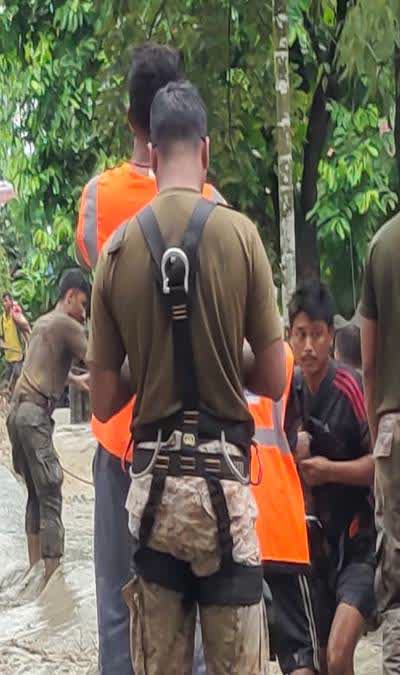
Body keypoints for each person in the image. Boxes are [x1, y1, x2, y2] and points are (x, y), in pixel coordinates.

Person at [87, 81, 286, 674]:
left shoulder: (118, 251)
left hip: (152, 504)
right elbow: (274, 378)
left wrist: (149, 360)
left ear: (149, 149)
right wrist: (224, 353)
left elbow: (101, 402)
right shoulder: (240, 235)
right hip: (224, 492)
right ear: (205, 149)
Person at [74, 42, 227, 675]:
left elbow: (97, 270)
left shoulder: (99, 199)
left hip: (123, 438)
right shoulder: (216, 208)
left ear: (134, 121)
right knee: (189, 604)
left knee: (118, 605)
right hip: (199, 439)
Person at [272, 280, 374, 675]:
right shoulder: (286, 391)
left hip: (358, 545)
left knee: (338, 654)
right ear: (289, 338)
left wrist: (328, 471)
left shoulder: (350, 387)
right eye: (301, 335)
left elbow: (378, 467)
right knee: (313, 661)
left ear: (331, 337)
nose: (309, 346)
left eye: (317, 335)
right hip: (310, 552)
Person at [7, 269, 92, 586]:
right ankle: (54, 584)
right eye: (83, 304)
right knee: (52, 493)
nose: (84, 313)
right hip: (33, 417)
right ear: (69, 296)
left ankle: (34, 571)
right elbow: (100, 358)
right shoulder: (67, 325)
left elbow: (41, 364)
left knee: (35, 494)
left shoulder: (43, 323)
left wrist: (75, 381)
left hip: (16, 415)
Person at [359, 211, 400, 672]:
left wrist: (377, 440)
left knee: (396, 585)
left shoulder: (382, 244)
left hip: (394, 430)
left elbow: (368, 366)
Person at [0, 292, 30, 390]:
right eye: (3, 301)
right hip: (8, 356)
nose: (4, 304)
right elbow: (1, 336)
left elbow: (26, 326)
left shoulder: (15, 314)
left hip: (18, 355)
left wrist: (17, 313)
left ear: (11, 301)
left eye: (6, 301)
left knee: (19, 378)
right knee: (8, 382)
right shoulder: (2, 319)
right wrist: (2, 344)